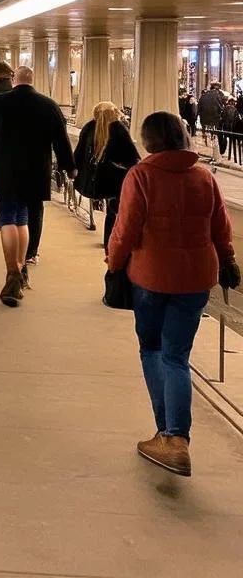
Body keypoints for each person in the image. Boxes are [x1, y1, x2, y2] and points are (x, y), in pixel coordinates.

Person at [107, 111, 240, 477]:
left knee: (152, 350)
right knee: (177, 357)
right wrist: (227, 258)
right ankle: (176, 438)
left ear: (148, 140)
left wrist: (113, 263)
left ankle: (170, 437)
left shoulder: (142, 175)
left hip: (151, 277)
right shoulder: (203, 177)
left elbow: (126, 227)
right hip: (197, 279)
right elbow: (221, 225)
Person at [0, 65, 76, 307]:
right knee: (23, 218)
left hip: (7, 169)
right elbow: (61, 140)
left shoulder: (1, 101)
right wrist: (69, 166)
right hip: (36, 169)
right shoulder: (48, 104)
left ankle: (12, 273)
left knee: (7, 218)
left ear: (15, 80)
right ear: (33, 81)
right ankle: (21, 269)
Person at [73, 101, 140, 251]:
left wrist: (74, 172)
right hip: (116, 181)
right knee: (115, 211)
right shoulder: (119, 130)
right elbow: (133, 158)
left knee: (112, 210)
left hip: (95, 181)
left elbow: (78, 154)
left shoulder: (89, 127)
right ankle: (111, 242)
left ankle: (108, 242)